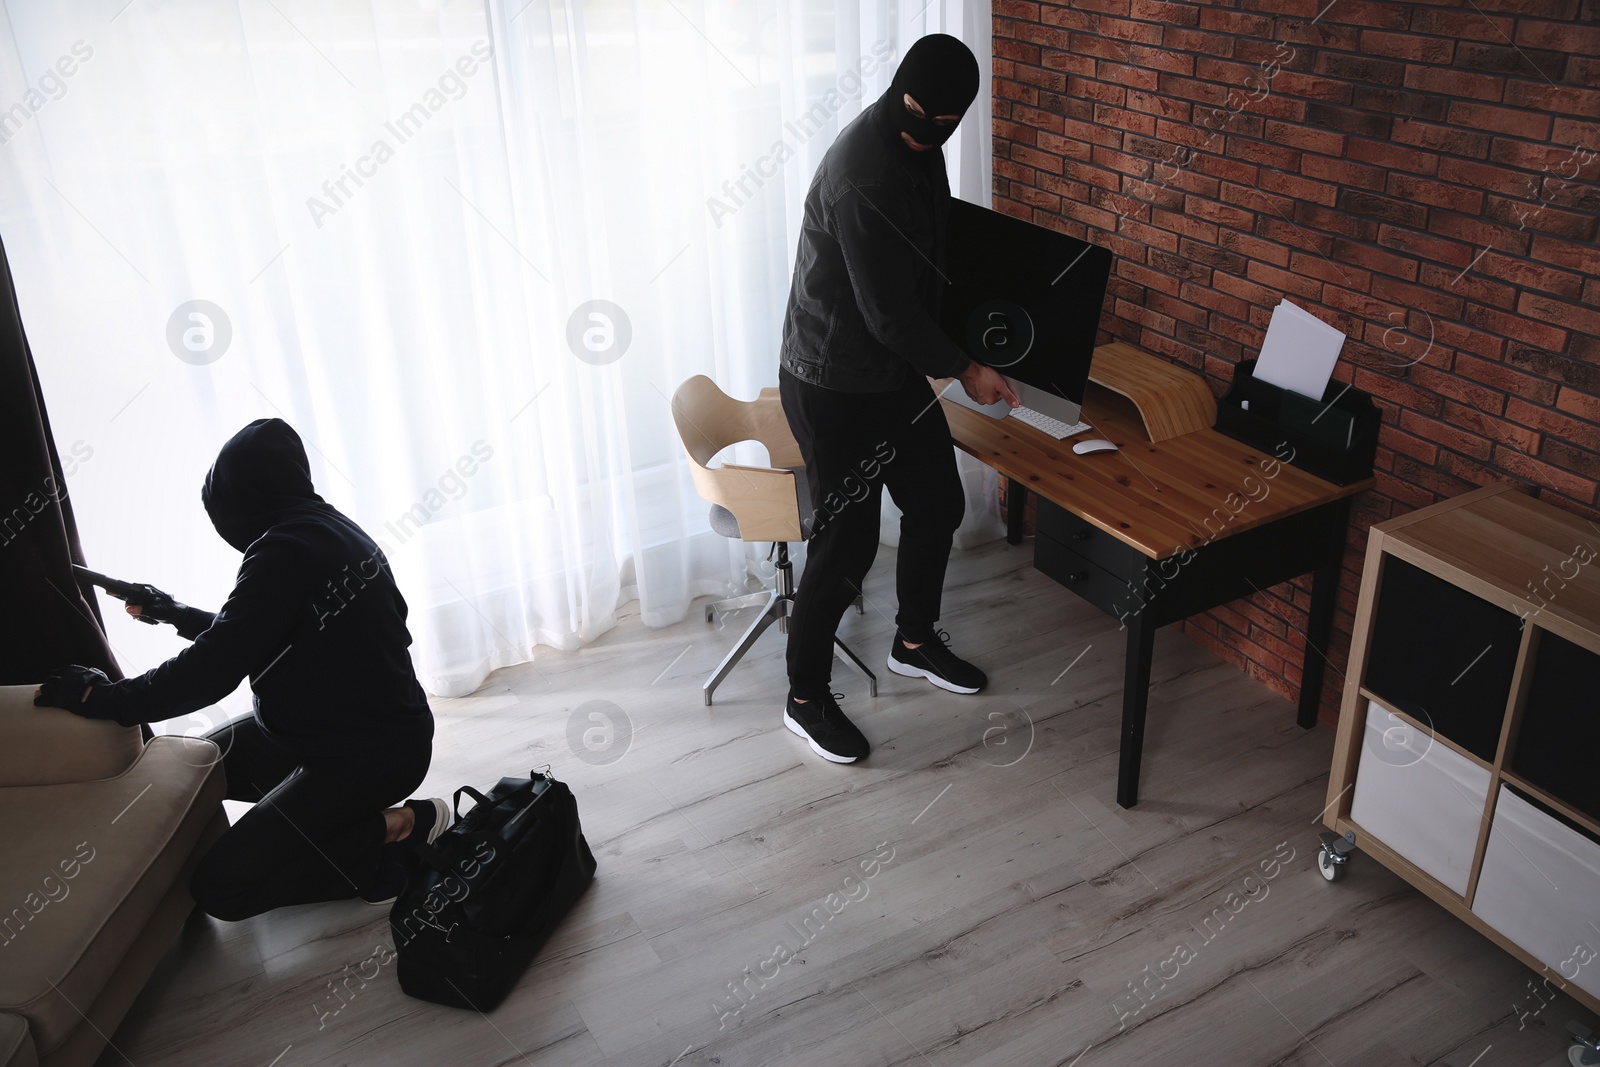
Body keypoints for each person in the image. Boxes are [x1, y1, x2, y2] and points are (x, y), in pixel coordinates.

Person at [34, 418, 446, 918]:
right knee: (197, 769)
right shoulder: (320, 528)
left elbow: (210, 671)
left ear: (241, 501)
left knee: (222, 890)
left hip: (366, 754)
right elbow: (268, 634)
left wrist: (100, 700)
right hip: (321, 733)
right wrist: (172, 612)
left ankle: (398, 830)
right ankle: (333, 824)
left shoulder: (284, 550)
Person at [778, 33, 1016, 765]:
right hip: (832, 381)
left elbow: (931, 254)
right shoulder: (866, 173)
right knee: (845, 545)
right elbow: (887, 311)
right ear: (899, 89)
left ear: (955, 118)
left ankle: (914, 640)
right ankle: (805, 698)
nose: (921, 125)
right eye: (911, 108)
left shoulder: (921, 142)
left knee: (938, 503)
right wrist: (966, 369)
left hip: (889, 373)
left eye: (938, 120)